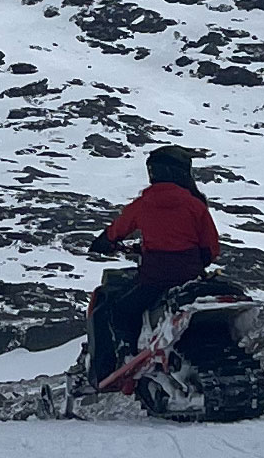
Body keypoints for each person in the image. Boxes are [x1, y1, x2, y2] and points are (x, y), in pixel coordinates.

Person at [85, 145, 222, 387]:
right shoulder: (195, 205)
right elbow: (211, 248)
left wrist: (103, 242)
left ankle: (126, 355)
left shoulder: (143, 204)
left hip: (154, 279)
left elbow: (117, 230)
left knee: (117, 309)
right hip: (190, 278)